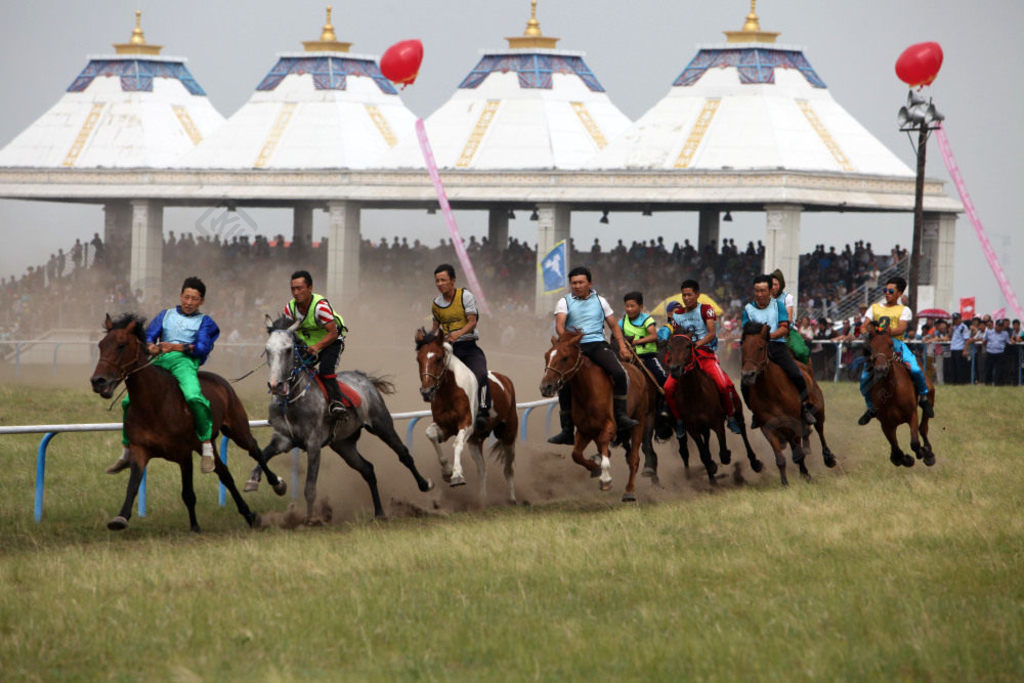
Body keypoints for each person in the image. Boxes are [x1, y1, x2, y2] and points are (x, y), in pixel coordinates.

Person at [106, 276, 221, 475]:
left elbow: (202, 348)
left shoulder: (206, 322)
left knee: (194, 396)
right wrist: (151, 346)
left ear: (201, 301)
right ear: (180, 296)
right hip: (159, 361)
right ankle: (126, 450)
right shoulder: (165, 315)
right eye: (186, 297)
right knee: (126, 402)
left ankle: (206, 446)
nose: (189, 302)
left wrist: (177, 347)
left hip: (185, 362)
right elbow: (150, 336)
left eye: (194, 299)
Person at [547, 266, 639, 444]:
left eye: (581, 282)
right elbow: (560, 325)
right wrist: (566, 340)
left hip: (597, 344)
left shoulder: (601, 301)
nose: (577, 286)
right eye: (574, 283)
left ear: (589, 283)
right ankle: (566, 430)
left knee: (619, 373)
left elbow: (613, 325)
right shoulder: (564, 302)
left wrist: (622, 347)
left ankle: (620, 416)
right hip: (574, 346)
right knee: (563, 382)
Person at [665, 279, 743, 434]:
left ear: (697, 294)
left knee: (722, 384)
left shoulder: (706, 309)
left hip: (704, 354)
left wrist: (697, 344)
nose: (686, 298)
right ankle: (679, 421)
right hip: (685, 357)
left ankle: (731, 417)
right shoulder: (678, 315)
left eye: (689, 295)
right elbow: (676, 335)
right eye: (684, 295)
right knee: (667, 388)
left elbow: (712, 332)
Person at [741, 274, 817, 425]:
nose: (759, 294)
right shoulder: (748, 309)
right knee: (744, 384)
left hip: (777, 347)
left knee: (796, 374)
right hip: (756, 351)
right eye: (756, 291)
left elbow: (785, 329)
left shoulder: (779, 306)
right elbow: (746, 330)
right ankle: (756, 412)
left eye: (763, 290)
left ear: (770, 291)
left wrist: (769, 336)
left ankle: (804, 407)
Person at [857, 276, 934, 425]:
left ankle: (923, 398)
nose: (887, 293)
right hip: (878, 346)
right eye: (885, 290)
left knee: (916, 370)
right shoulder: (874, 308)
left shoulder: (904, 310)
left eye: (891, 291)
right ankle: (871, 408)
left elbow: (901, 328)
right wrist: (868, 332)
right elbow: (863, 326)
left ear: (899, 293)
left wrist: (883, 331)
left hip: (897, 345)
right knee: (864, 379)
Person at [431, 263, 491, 431]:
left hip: (468, 347)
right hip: (449, 350)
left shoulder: (465, 296)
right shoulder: (436, 303)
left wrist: (458, 334)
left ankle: (484, 411)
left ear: (453, 280)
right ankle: (439, 412)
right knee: (434, 377)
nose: (440, 284)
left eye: (443, 280)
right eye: (437, 281)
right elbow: (436, 329)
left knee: (481, 374)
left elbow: (472, 322)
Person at [282, 270, 348, 417]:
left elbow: (333, 332)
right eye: (293, 289)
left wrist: (318, 347)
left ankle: (337, 403)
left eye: (300, 288)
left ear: (310, 288)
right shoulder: (289, 309)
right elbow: (289, 332)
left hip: (332, 340)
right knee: (293, 370)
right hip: (308, 343)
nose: (296, 292)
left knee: (326, 370)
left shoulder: (320, 307)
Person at [618, 291, 670, 424]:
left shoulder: (647, 319)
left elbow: (654, 336)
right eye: (627, 306)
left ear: (640, 307)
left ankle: (665, 407)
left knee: (663, 378)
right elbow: (616, 336)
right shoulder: (622, 321)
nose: (629, 309)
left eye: (632, 306)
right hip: (629, 358)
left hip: (647, 357)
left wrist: (636, 342)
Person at [769, 270, 810, 364]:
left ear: (781, 284)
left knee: (800, 351)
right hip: (769, 331)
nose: (773, 287)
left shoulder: (787, 298)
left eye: (776, 284)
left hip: (786, 331)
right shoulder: (766, 299)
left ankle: (804, 372)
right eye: (772, 284)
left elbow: (789, 319)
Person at [983, 318, 1011, 386]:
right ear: (996, 326)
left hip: (1000, 353)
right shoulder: (989, 332)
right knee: (988, 369)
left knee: (999, 370)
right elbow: (985, 341)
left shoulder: (1005, 333)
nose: (1000, 328)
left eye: (1001, 326)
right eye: (999, 326)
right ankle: (988, 383)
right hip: (990, 352)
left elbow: (1008, 342)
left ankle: (998, 383)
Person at [948, 312, 970, 385]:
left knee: (959, 367)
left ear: (960, 319)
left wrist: (964, 350)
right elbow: (950, 336)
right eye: (954, 319)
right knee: (953, 367)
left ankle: (961, 381)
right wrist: (950, 329)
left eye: (957, 319)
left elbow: (967, 340)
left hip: (960, 348)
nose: (955, 321)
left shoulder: (964, 327)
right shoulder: (954, 327)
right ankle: (954, 381)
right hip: (953, 348)